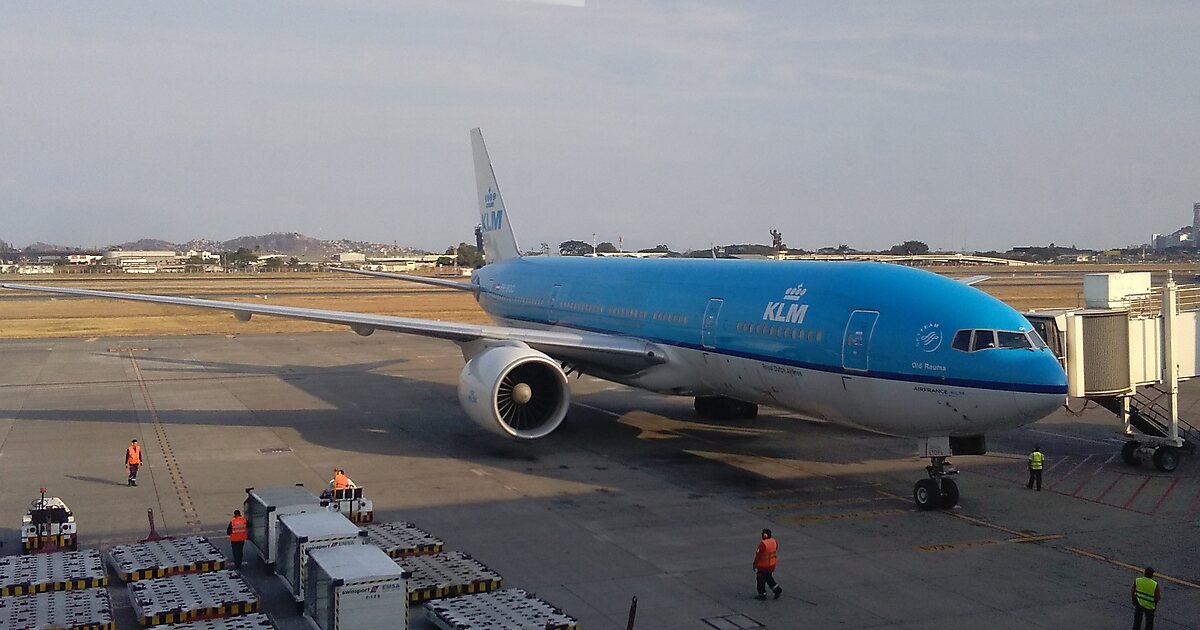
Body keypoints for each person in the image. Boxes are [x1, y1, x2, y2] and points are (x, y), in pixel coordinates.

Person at [753, 528, 783, 600]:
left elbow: (758, 555)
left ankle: (763, 593)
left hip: (763, 565)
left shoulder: (763, 544)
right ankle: (776, 590)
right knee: (768, 577)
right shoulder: (774, 541)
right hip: (772, 564)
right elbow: (776, 549)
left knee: (760, 578)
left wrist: (755, 564)